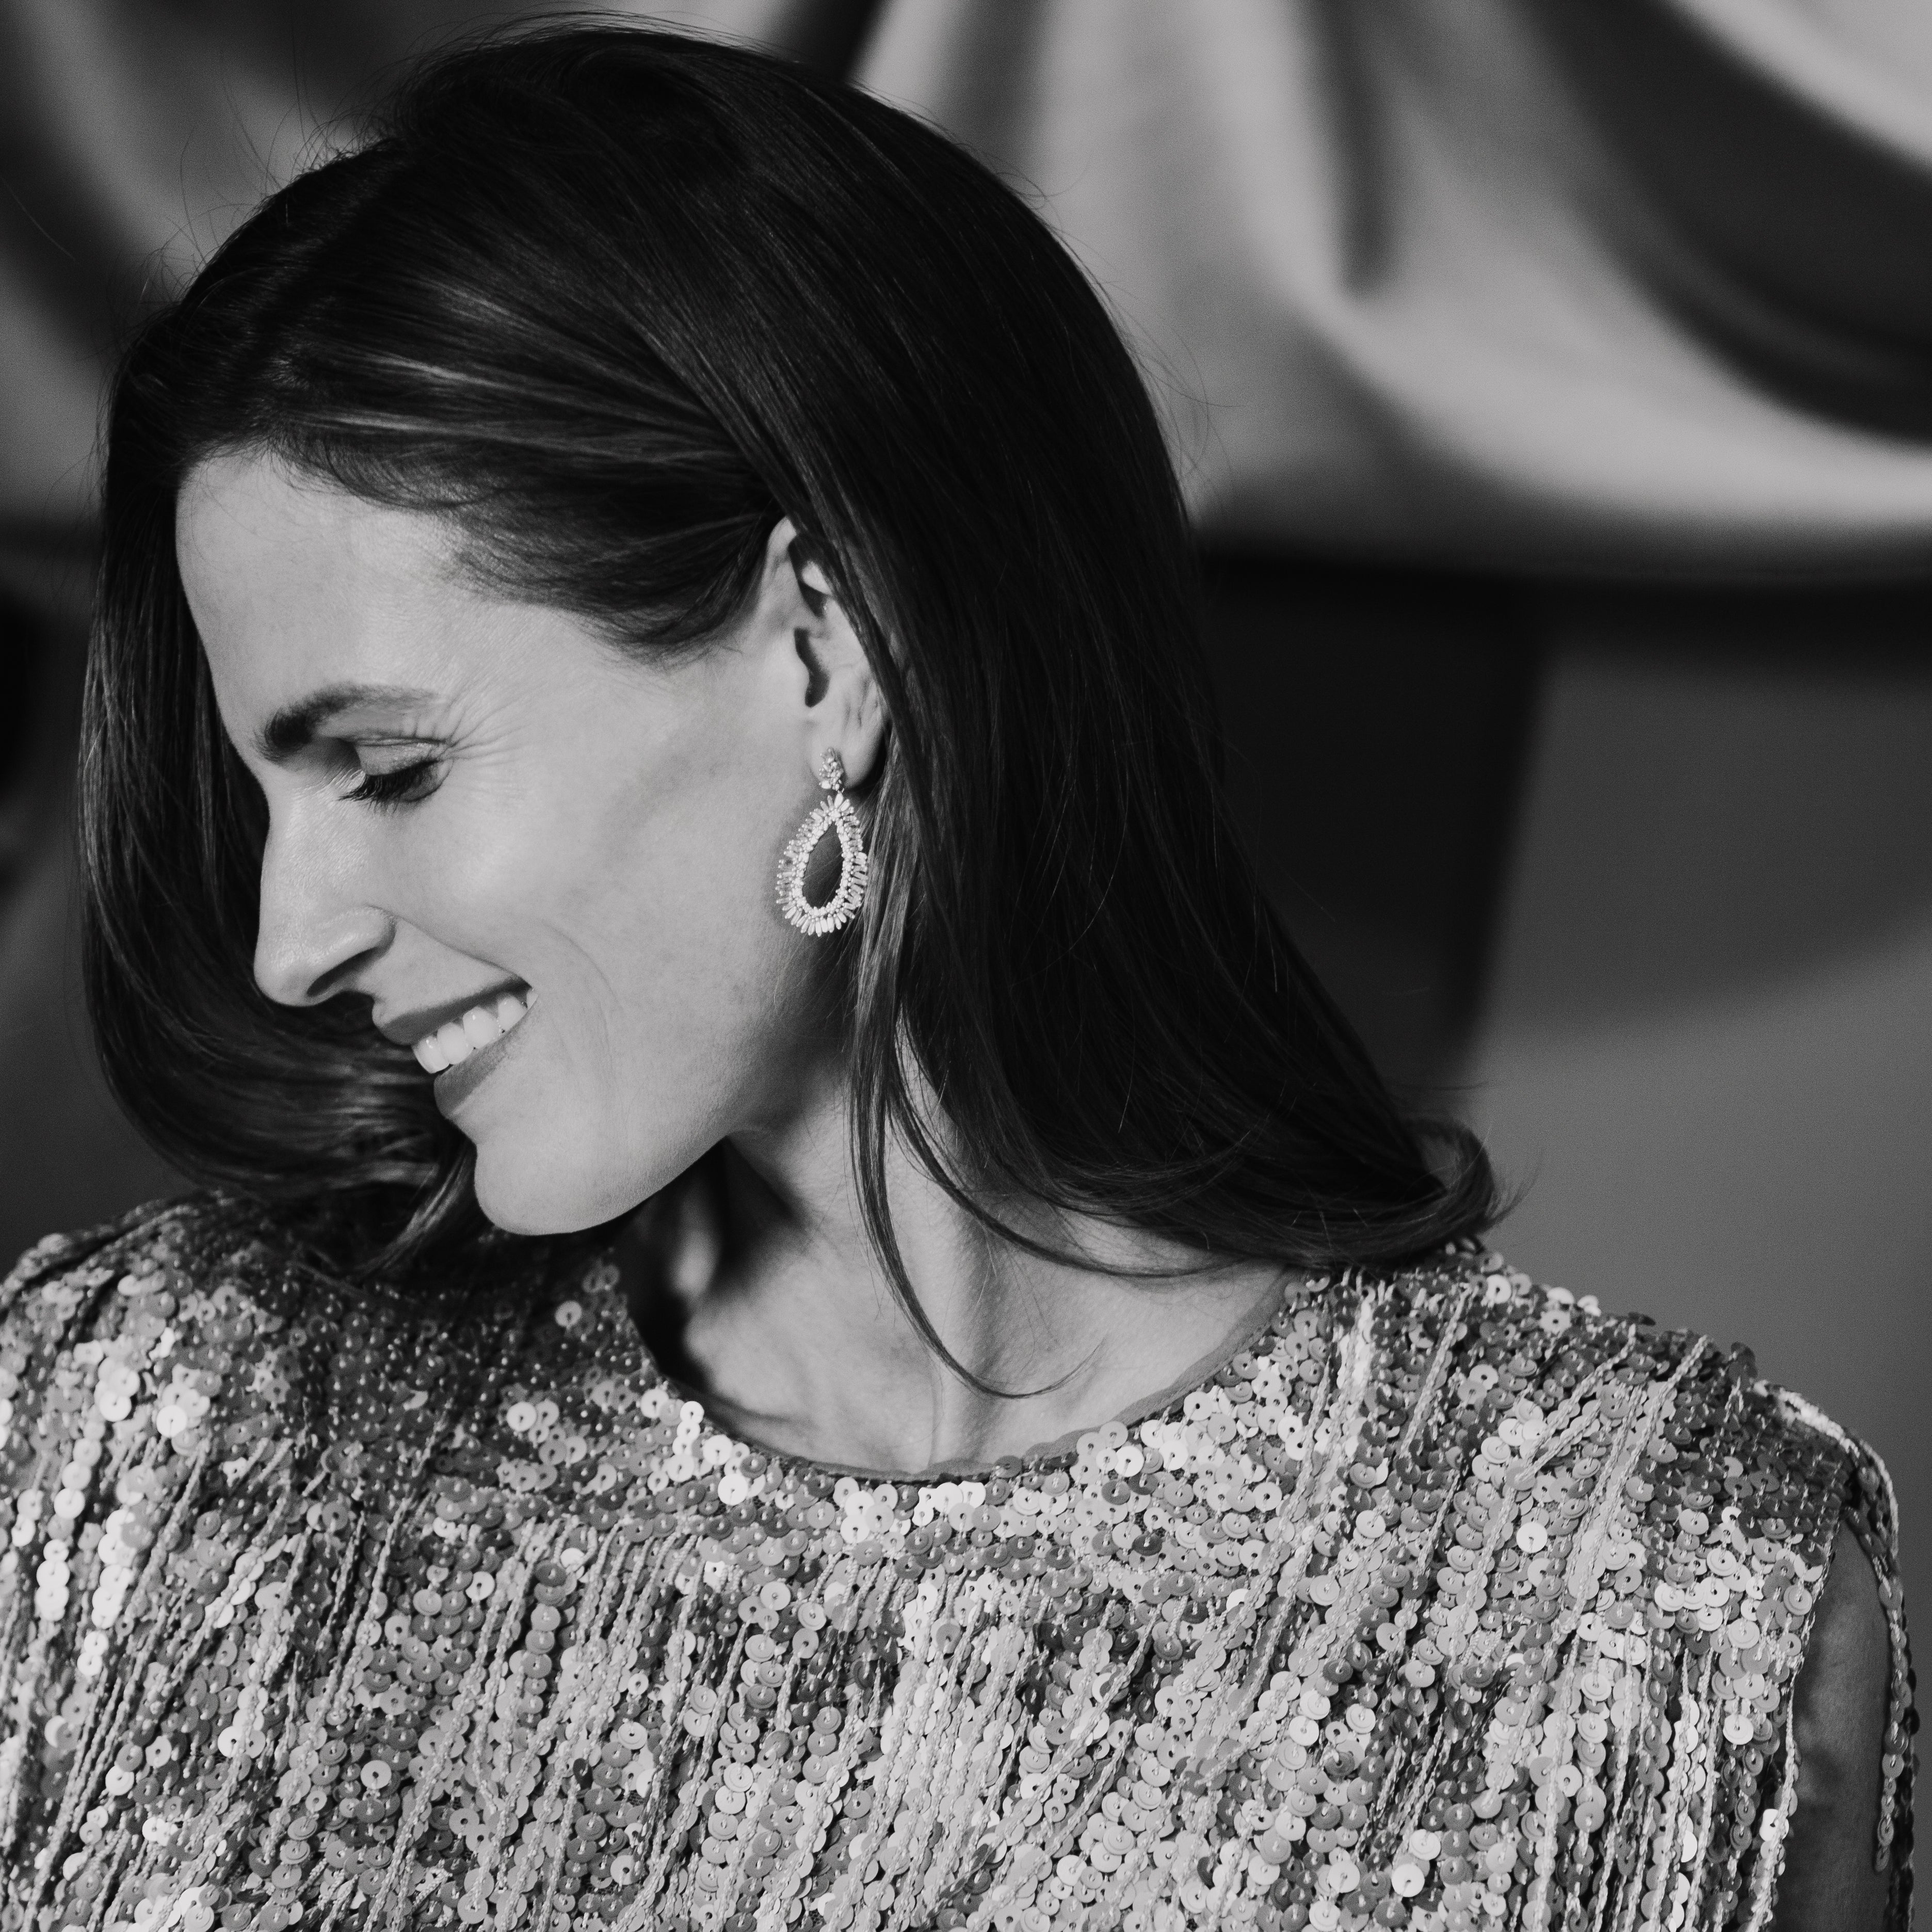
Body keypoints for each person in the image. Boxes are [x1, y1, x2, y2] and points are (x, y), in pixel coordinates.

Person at [0, 24, 1910, 1932]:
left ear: (830, 656)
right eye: (267, 794)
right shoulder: (129, 1431)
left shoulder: (1659, 1614)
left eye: (392, 770)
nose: (289, 938)